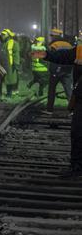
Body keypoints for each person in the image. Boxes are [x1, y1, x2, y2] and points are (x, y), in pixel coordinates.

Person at [35, 44, 82, 177]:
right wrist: (47, 55)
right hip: (81, 99)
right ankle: (77, 168)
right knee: (77, 133)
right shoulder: (80, 50)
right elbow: (65, 56)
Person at [47, 28, 74, 113]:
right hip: (67, 70)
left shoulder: (54, 45)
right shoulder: (69, 44)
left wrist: (53, 71)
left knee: (51, 89)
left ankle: (49, 110)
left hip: (57, 70)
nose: (51, 37)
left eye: (52, 36)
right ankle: (72, 110)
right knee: (69, 90)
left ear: (55, 36)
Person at [0, 29, 20, 97]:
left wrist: (16, 64)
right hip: (0, 64)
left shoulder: (14, 43)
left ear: (8, 35)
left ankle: (9, 93)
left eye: (4, 34)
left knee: (9, 80)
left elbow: (16, 54)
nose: (2, 35)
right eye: (2, 34)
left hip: (10, 65)